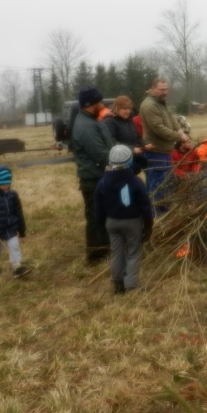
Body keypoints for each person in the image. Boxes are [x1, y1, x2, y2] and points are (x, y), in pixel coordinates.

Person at [95, 145, 154, 294]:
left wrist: (100, 226)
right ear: (129, 160)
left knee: (116, 252)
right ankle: (131, 285)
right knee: (133, 251)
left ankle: (117, 282)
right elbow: (145, 205)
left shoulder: (102, 182)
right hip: (132, 222)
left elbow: (98, 207)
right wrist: (148, 224)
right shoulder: (135, 181)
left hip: (112, 222)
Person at [72, 86, 115, 263]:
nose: (103, 105)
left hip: (100, 177)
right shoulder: (86, 127)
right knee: (95, 216)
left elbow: (109, 145)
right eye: (100, 102)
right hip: (93, 179)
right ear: (90, 104)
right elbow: (101, 155)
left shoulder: (92, 121)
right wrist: (122, 162)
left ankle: (105, 247)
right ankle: (95, 255)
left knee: (103, 214)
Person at [139, 78, 184, 204]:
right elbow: (158, 128)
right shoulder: (149, 105)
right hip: (155, 152)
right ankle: (157, 212)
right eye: (162, 89)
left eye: (166, 89)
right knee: (158, 186)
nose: (165, 92)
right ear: (153, 89)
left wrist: (179, 130)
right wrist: (178, 137)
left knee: (169, 182)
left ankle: (167, 208)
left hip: (165, 151)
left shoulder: (161, 102)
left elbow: (171, 117)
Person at [103, 95, 153, 174]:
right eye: (125, 109)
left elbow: (137, 136)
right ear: (117, 108)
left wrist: (145, 144)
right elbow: (112, 142)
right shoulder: (109, 122)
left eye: (129, 109)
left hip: (133, 159)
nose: (128, 111)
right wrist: (132, 149)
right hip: (120, 163)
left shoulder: (129, 121)